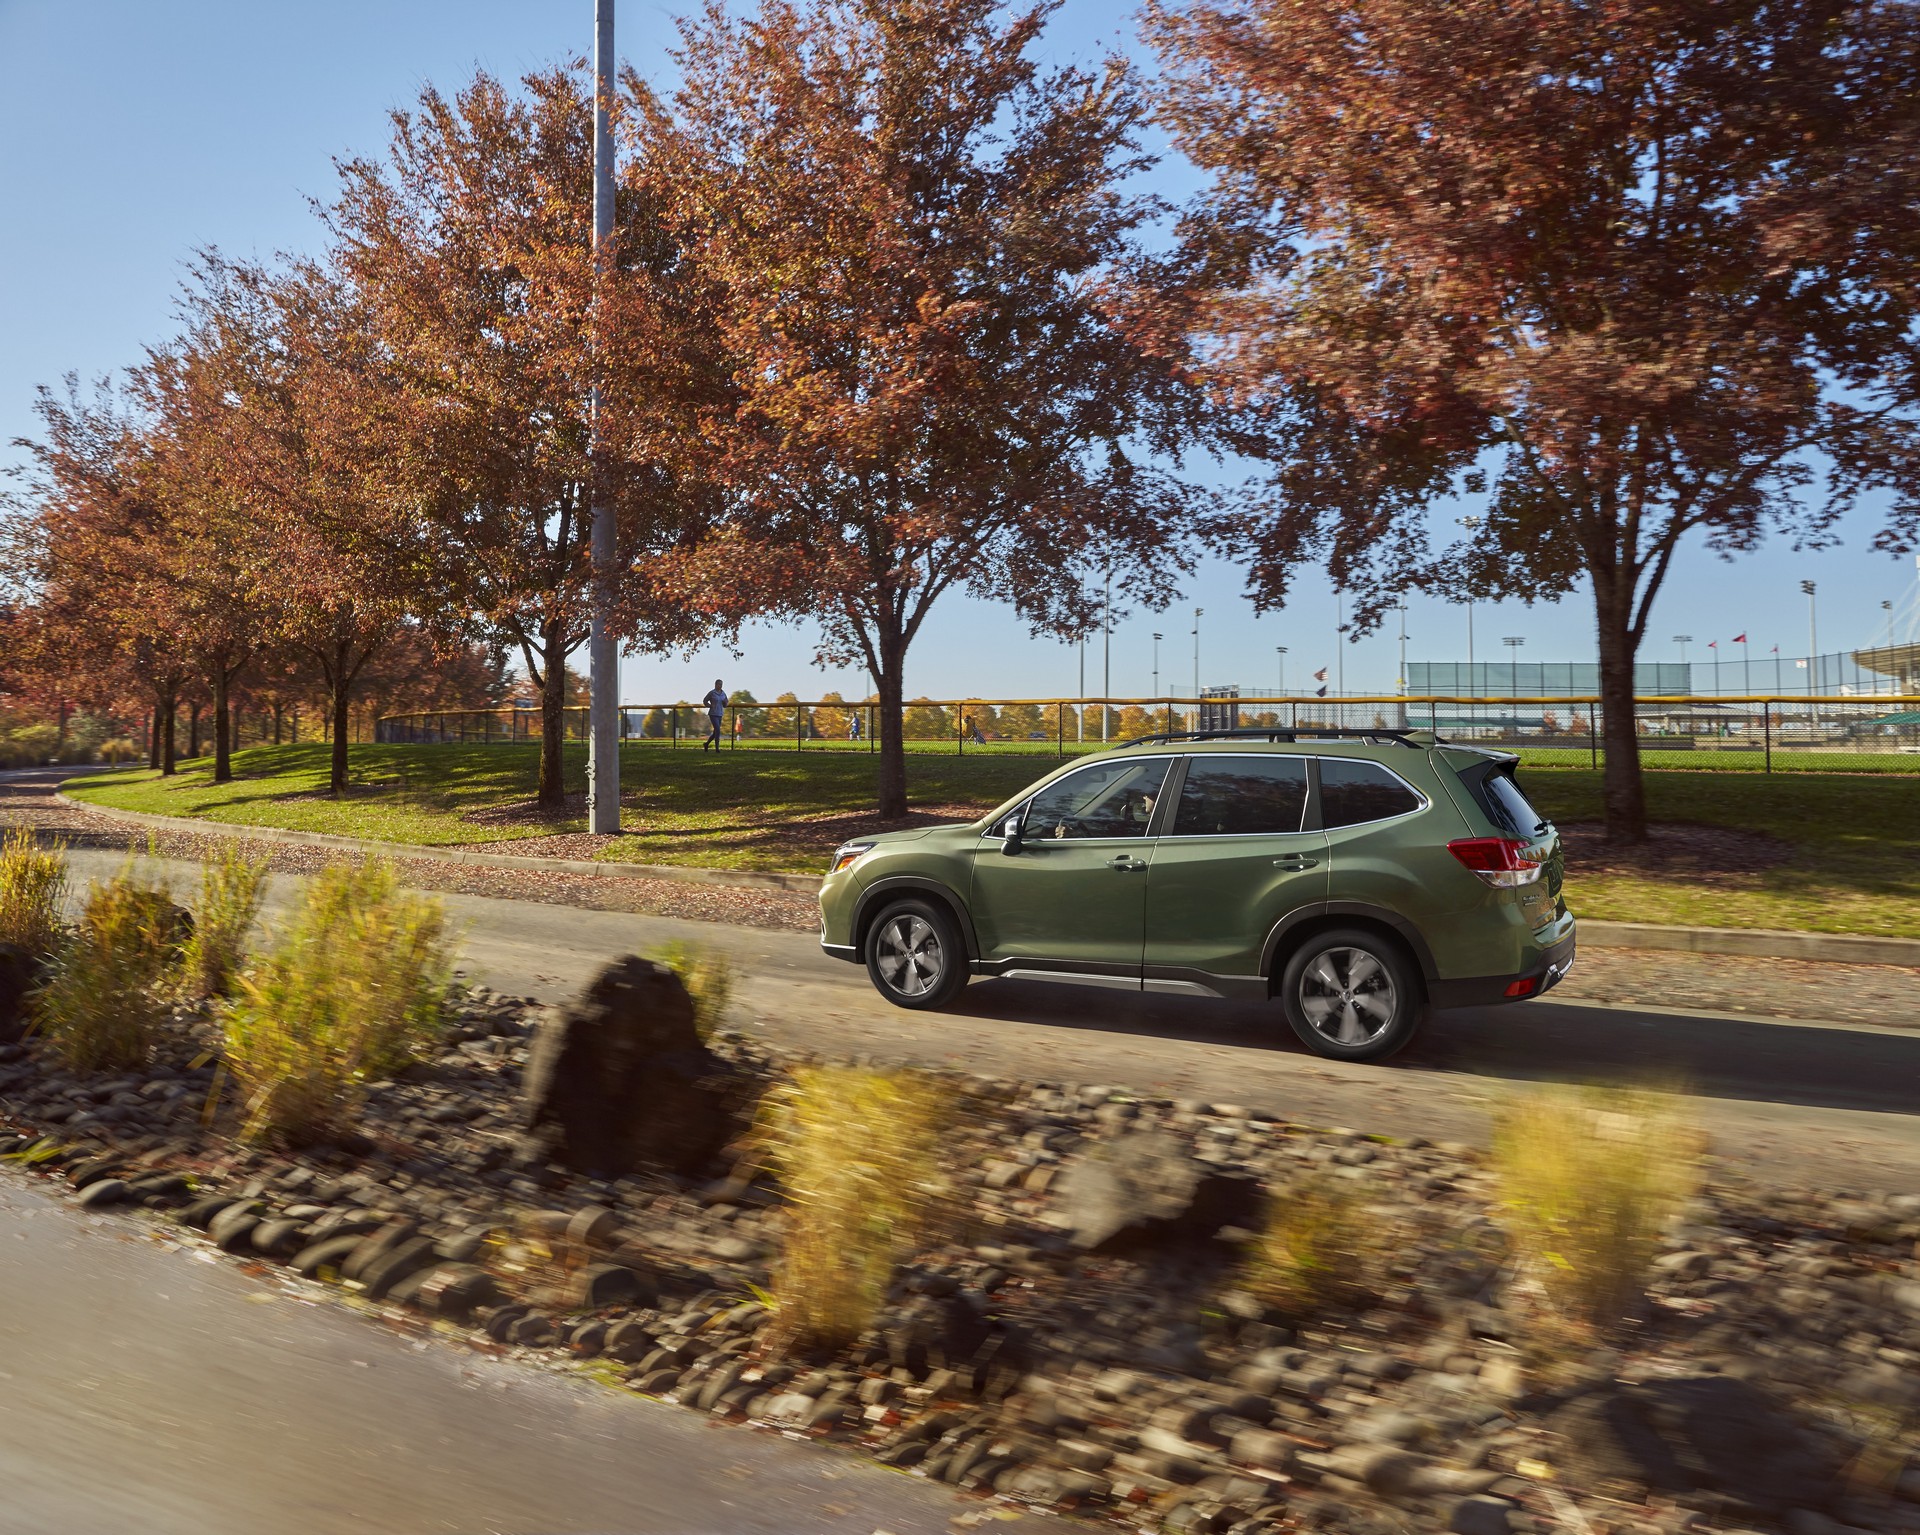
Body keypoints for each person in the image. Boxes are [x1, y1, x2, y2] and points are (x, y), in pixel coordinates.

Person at [700, 679, 728, 752]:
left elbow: (725, 704)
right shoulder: (712, 693)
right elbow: (705, 700)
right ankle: (717, 749)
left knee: (716, 731)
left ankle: (706, 744)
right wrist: (709, 705)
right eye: (719, 684)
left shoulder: (723, 693)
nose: (720, 686)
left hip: (720, 714)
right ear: (715, 685)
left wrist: (725, 702)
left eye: (721, 684)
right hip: (713, 714)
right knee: (718, 730)